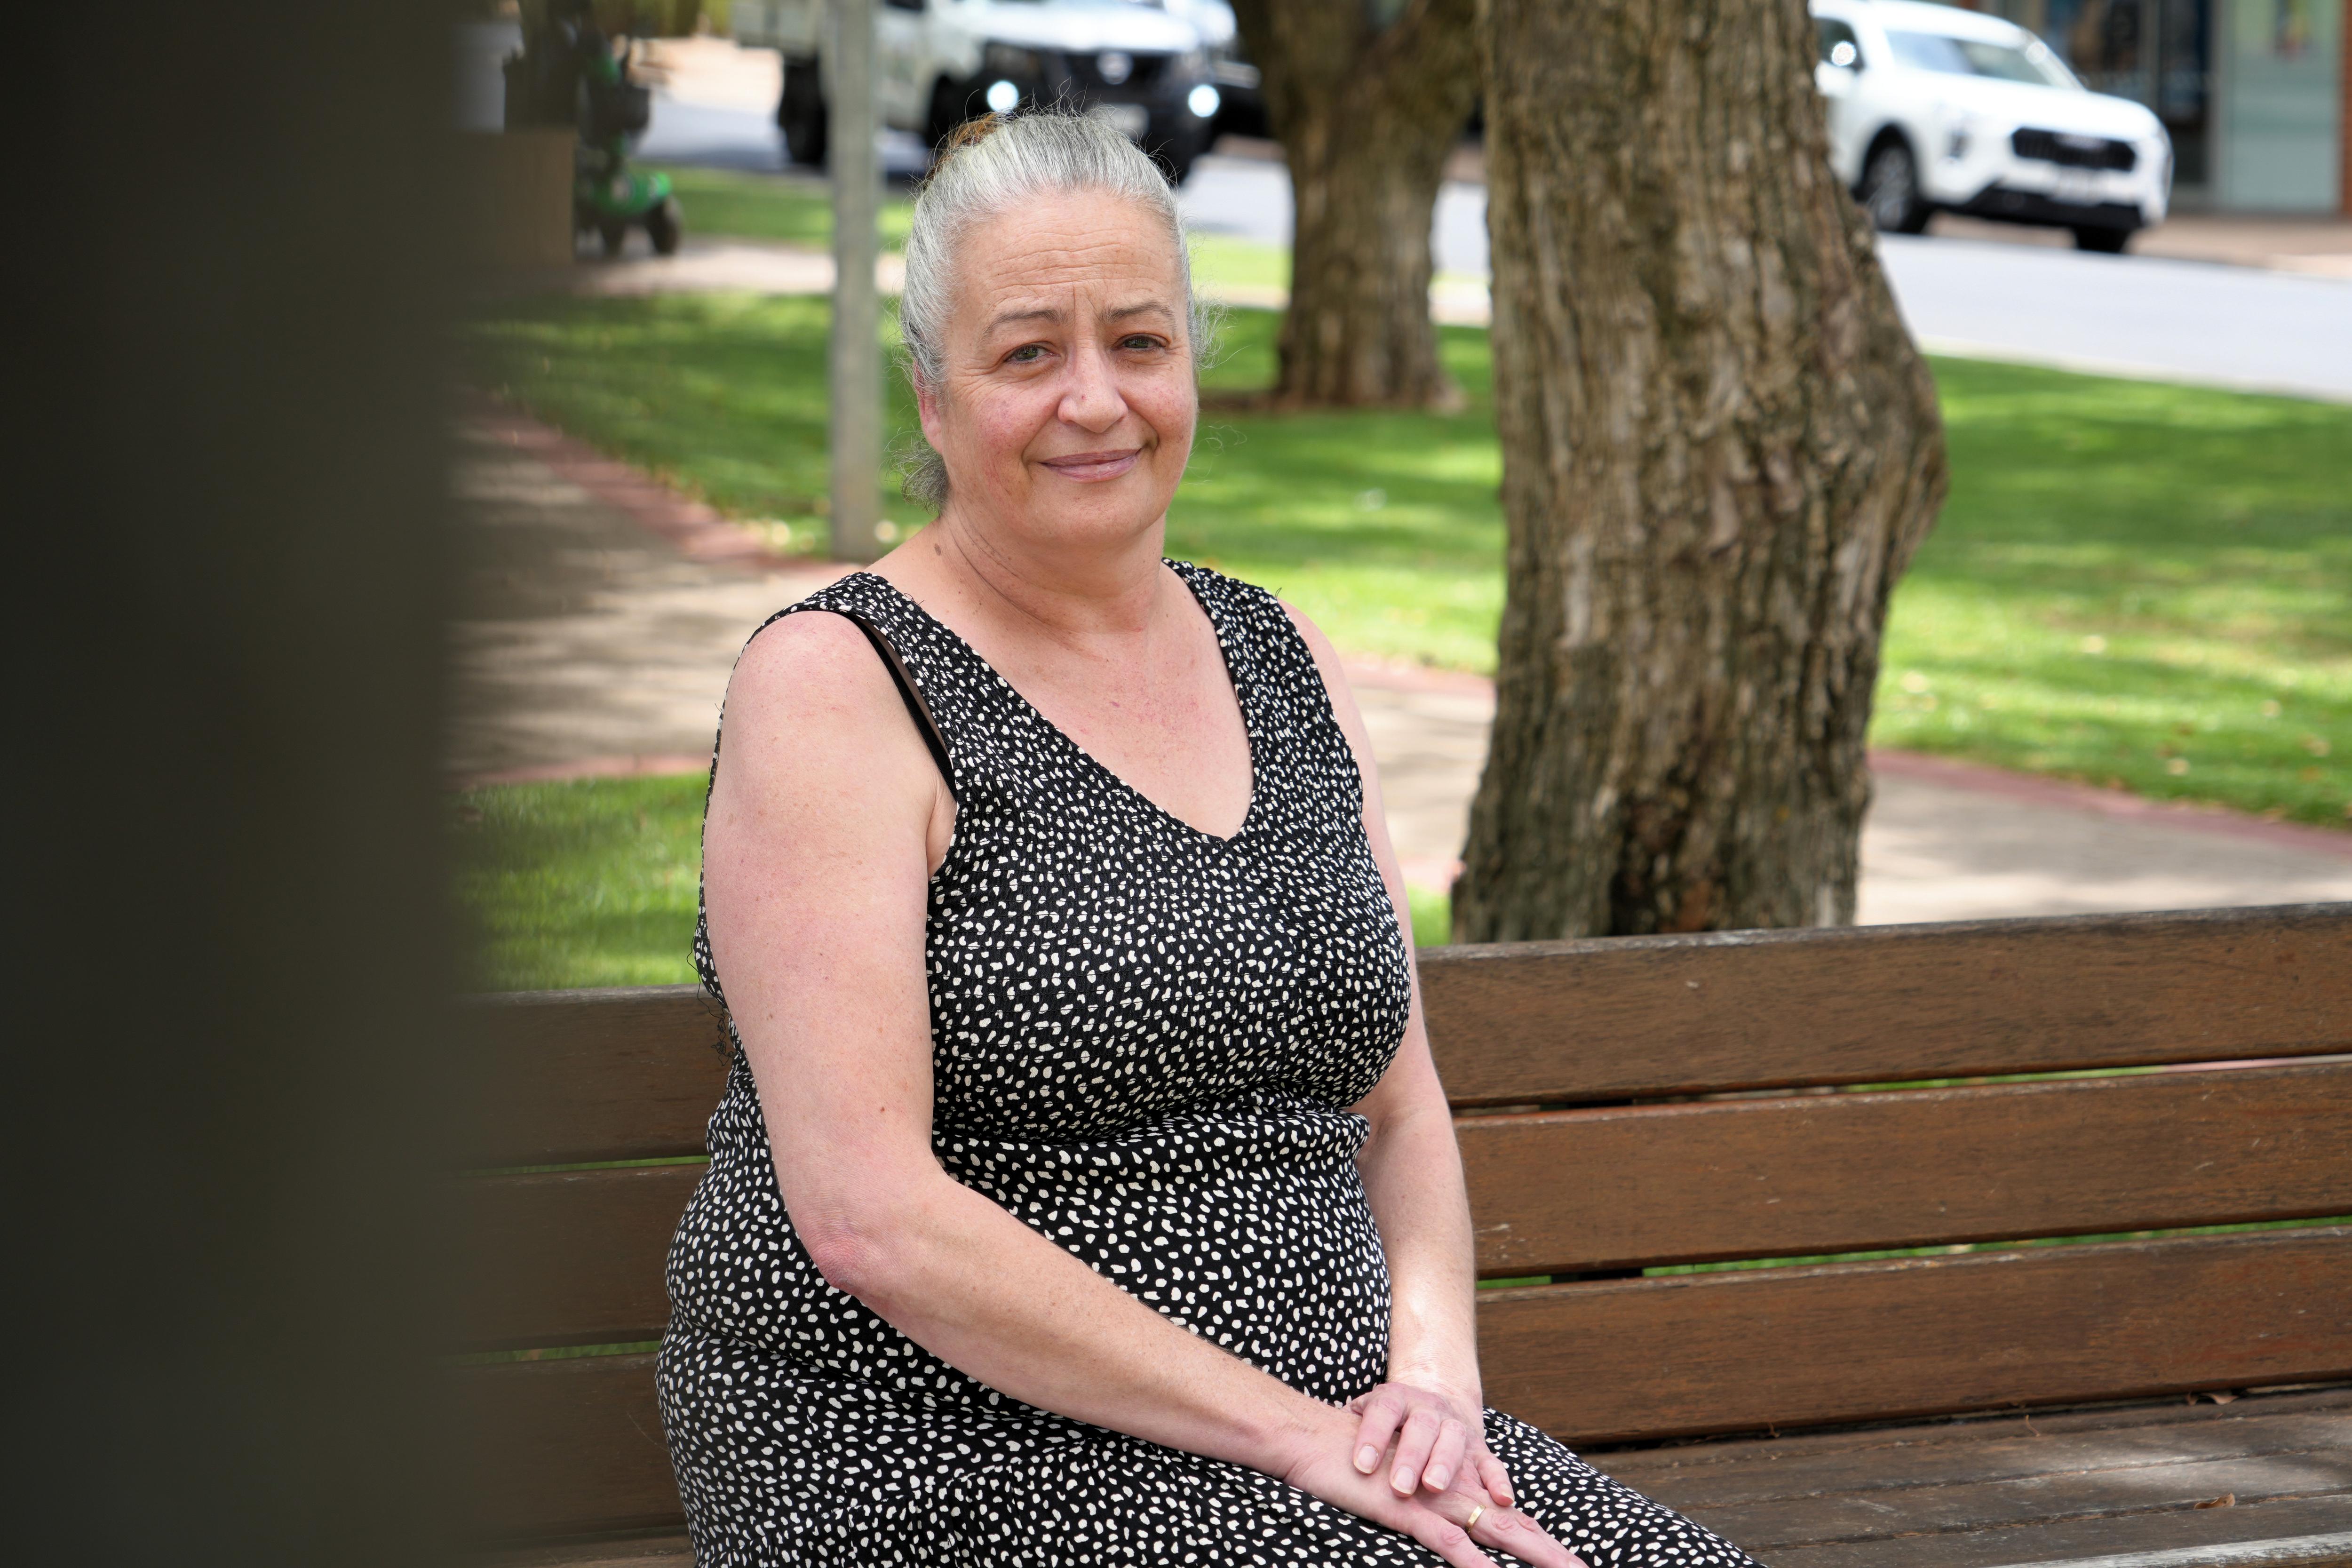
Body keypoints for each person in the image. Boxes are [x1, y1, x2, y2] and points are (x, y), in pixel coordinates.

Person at [657, 110, 1763, 1568]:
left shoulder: (1279, 655)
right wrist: (1297, 1439)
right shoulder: (841, 684)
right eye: (1028, 354)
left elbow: (1402, 1109)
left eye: (1139, 341)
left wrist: (1434, 1388)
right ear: (932, 398)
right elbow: (873, 1220)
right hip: (941, 1446)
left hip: (1332, 1436)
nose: (1095, 399)